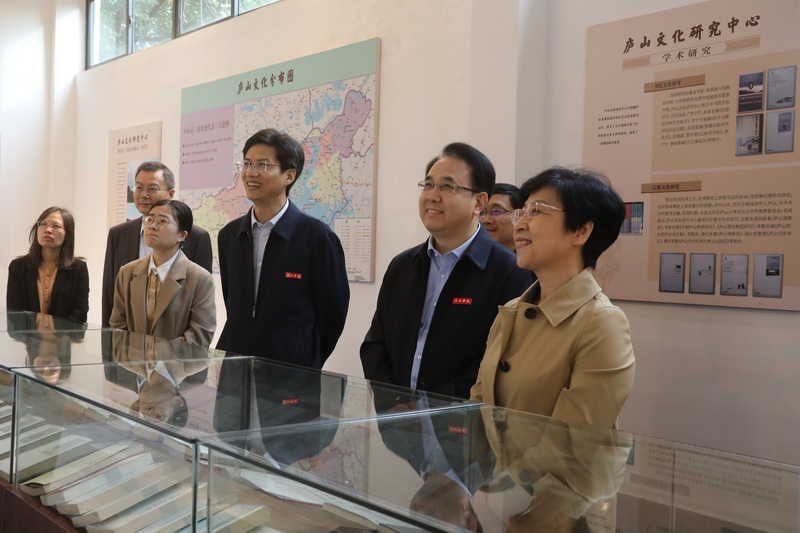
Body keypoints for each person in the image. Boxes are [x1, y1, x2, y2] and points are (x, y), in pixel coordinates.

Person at [360, 142, 533, 400]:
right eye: (428, 185)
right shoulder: (402, 265)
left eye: (447, 187)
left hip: (461, 418)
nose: (432, 196)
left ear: (479, 202)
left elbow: (502, 361)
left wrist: (431, 409)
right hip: (397, 418)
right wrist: (393, 401)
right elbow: (375, 344)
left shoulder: (511, 272)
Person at [470, 167, 635, 428]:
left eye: (536, 211)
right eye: (521, 212)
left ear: (581, 231)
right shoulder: (511, 311)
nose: (519, 224)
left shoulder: (601, 323)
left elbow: (572, 439)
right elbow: (478, 405)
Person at [216, 128, 349, 369]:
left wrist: (305, 358)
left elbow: (333, 313)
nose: (250, 173)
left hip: (291, 372)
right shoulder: (229, 235)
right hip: (235, 365)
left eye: (263, 165)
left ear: (289, 176)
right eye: (247, 164)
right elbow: (232, 301)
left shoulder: (316, 237)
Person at [102, 161, 212, 327]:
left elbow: (200, 301)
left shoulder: (197, 237)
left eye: (152, 189)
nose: (143, 195)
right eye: (138, 188)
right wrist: (109, 338)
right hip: (129, 340)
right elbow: (110, 295)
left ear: (170, 193)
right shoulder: (118, 234)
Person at [109, 200, 216, 347]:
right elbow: (118, 326)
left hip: (177, 362)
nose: (152, 226)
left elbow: (200, 335)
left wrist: (155, 355)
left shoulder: (200, 279)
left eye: (162, 221)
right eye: (150, 219)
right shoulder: (127, 272)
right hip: (133, 361)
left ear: (182, 235)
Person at [7, 207, 89, 323]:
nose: (48, 230)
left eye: (56, 226)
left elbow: (79, 315)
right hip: (27, 334)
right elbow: (15, 315)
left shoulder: (78, 269)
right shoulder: (18, 267)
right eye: (43, 224)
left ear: (67, 235)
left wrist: (57, 333)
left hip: (64, 334)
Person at [480, 183, 522, 251]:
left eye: (496, 212)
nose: (485, 220)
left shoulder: (533, 256)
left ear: (519, 216)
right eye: (481, 213)